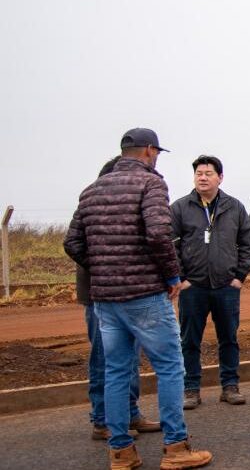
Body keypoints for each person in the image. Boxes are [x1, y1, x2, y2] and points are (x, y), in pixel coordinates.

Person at [63, 128, 212, 469]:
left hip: (106, 300)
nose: (156, 157)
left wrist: (103, 267)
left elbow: (72, 243)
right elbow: (159, 233)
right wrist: (172, 277)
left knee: (115, 370)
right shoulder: (150, 183)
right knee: (171, 366)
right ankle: (176, 448)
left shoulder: (91, 191)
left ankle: (121, 452)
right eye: (156, 152)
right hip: (144, 294)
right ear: (148, 150)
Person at [77, 156, 161, 441]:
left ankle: (129, 413)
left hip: (129, 292)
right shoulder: (94, 205)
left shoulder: (120, 209)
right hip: (100, 295)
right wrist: (103, 267)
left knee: (127, 358)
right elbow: (73, 243)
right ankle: (103, 419)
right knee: (105, 359)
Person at [171, 155, 250, 409]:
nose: (203, 177)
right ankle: (191, 389)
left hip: (225, 287)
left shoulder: (235, 208)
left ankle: (230, 386)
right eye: (199, 173)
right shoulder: (180, 208)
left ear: (220, 177)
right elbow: (169, 247)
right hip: (192, 288)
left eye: (208, 173)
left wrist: (239, 277)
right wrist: (182, 279)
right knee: (189, 340)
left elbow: (248, 245)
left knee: (228, 338)